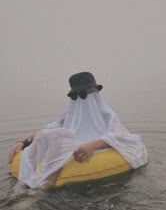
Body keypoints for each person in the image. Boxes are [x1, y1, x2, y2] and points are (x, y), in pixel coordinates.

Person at [9, 72, 148, 192]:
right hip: (65, 146)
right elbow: (48, 130)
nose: (84, 99)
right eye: (78, 95)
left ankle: (47, 184)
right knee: (54, 135)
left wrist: (92, 145)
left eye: (86, 94)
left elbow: (123, 137)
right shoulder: (69, 114)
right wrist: (23, 141)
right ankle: (22, 184)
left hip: (85, 150)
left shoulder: (106, 114)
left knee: (60, 138)